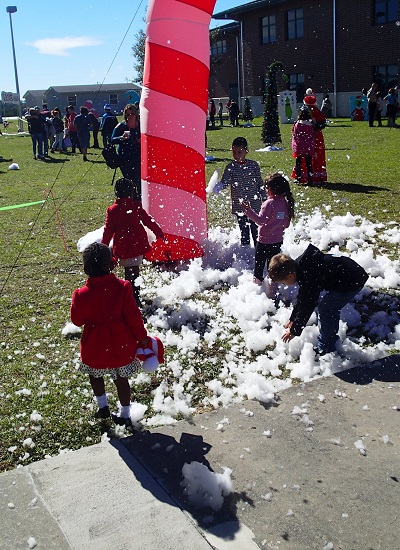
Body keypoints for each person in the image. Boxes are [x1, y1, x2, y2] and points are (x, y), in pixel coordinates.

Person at [70, 242, 149, 427]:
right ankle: (125, 413)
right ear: (112, 263)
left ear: (86, 268)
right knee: (121, 380)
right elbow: (133, 317)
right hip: (120, 346)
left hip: (94, 348)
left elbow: (77, 321)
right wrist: (142, 337)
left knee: (95, 375)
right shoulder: (123, 287)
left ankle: (102, 405)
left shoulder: (81, 294)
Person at [268, 244, 368, 356]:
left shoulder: (308, 275)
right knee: (325, 306)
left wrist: (295, 330)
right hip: (349, 274)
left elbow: (308, 304)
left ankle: (327, 348)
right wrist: (293, 318)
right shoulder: (301, 267)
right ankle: (328, 343)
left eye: (283, 282)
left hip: (352, 280)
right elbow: (302, 297)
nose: (284, 285)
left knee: (326, 309)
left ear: (290, 276)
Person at [101, 178, 164, 307]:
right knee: (134, 270)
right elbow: (148, 221)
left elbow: (108, 230)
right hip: (137, 244)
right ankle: (134, 295)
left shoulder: (113, 210)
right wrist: (159, 233)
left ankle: (131, 296)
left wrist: (103, 246)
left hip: (123, 246)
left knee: (129, 272)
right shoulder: (135, 206)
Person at [241, 173, 294, 293]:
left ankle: (256, 289)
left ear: (271, 189)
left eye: (266, 188)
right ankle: (273, 290)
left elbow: (260, 221)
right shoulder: (286, 203)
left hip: (263, 241)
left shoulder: (269, 204)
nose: (266, 190)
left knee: (259, 266)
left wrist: (248, 210)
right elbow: (286, 224)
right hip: (277, 241)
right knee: (274, 267)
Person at [217, 137, 267, 247]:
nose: (236, 155)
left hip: (255, 206)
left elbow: (259, 182)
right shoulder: (231, 167)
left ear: (246, 151)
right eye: (234, 152)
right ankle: (246, 253)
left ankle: (258, 252)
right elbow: (225, 181)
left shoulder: (253, 165)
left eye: (240, 152)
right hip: (240, 207)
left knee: (256, 231)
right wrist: (219, 186)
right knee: (244, 232)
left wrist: (264, 197)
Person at [292, 89, 327, 184]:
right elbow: (322, 123)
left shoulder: (301, 118)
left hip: (301, 144)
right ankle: (315, 176)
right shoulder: (317, 112)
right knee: (315, 156)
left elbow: (294, 133)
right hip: (316, 138)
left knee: (300, 160)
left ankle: (301, 176)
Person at [111, 104, 141, 199]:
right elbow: (112, 139)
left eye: (132, 114)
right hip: (125, 158)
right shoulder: (121, 125)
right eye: (127, 114)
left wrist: (142, 140)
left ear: (136, 114)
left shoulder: (141, 125)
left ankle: (139, 199)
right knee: (129, 180)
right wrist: (121, 138)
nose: (130, 116)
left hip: (138, 156)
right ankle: (131, 198)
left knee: (139, 179)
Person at [291, 106, 315, 186]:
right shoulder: (310, 124)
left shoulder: (297, 123)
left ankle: (298, 178)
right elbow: (312, 135)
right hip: (308, 146)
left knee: (298, 163)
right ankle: (310, 179)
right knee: (309, 164)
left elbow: (295, 135)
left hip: (299, 146)